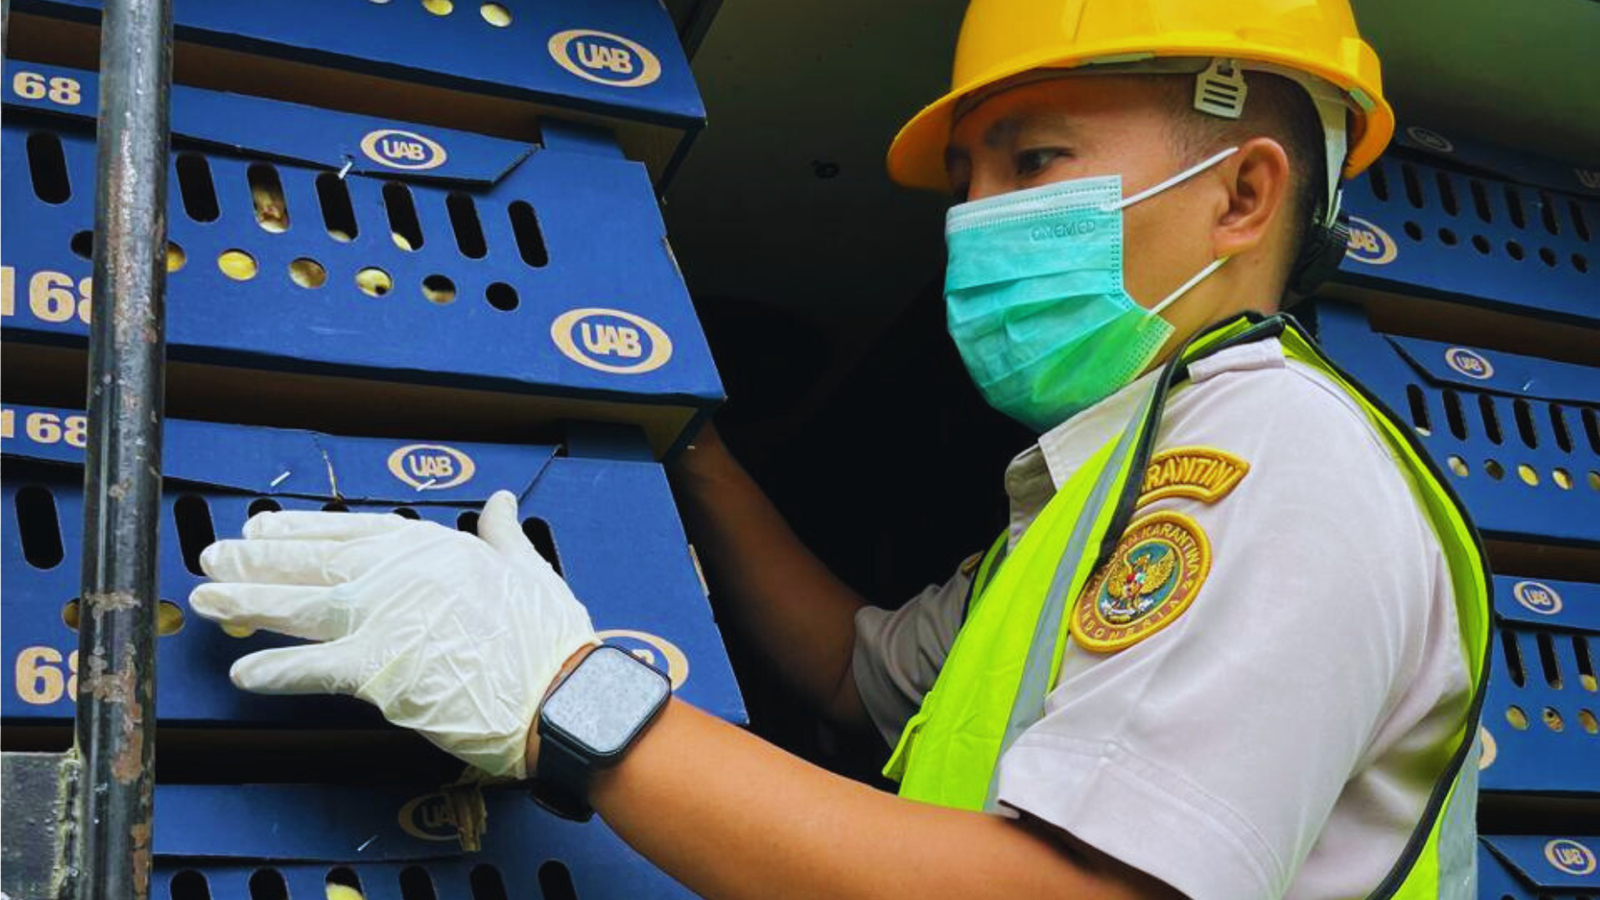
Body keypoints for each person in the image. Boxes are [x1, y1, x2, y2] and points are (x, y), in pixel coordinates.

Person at [190, 1, 1491, 897]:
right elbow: (848, 676)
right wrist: (679, 440)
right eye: (968, 180)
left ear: (1244, 196)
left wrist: (567, 704)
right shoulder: (1090, 496)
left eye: (1035, 161)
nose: (976, 219)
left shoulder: (1277, 455)